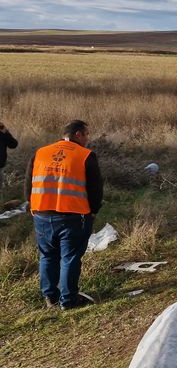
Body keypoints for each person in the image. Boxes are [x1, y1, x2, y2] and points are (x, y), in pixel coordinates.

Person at [27, 120, 103, 310]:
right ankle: (68, 300)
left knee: (47, 256)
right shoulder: (85, 156)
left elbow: (28, 183)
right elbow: (95, 188)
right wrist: (93, 211)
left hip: (41, 214)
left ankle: (51, 298)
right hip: (73, 215)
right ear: (78, 134)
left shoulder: (40, 153)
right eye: (86, 134)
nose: (87, 139)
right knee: (69, 258)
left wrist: (33, 207)